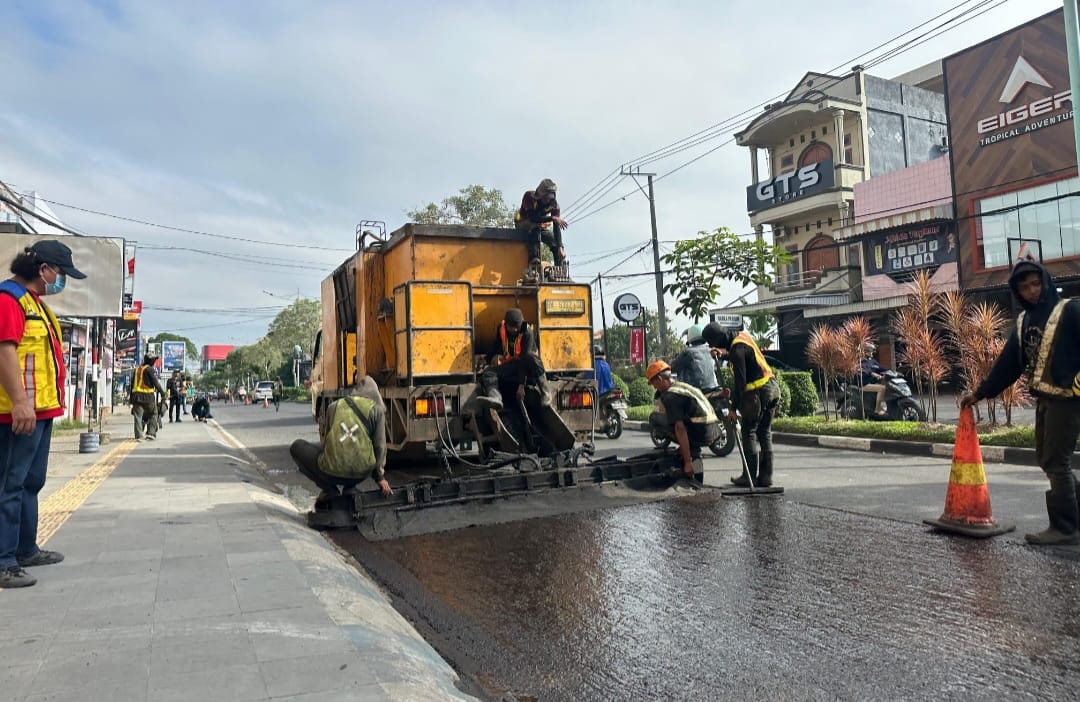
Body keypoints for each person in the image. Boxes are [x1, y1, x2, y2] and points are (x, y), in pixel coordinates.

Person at [960, 260, 1080, 545]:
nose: (1032, 291)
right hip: (1045, 398)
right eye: (1024, 287)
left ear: (1046, 281)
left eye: (1036, 284)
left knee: (1056, 460)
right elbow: (1008, 365)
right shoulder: (1024, 322)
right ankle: (1074, 520)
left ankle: (1065, 528)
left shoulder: (1070, 310)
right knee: (1047, 459)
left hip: (1069, 398)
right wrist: (981, 392)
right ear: (1017, 291)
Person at [0, 240, 86, 588]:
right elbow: (5, 352)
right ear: (43, 270)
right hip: (17, 413)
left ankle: (25, 550)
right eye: (60, 273)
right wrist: (20, 401)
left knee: (32, 483)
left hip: (41, 411)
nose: (61, 280)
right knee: (10, 485)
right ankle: (4, 561)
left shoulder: (37, 305)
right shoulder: (9, 300)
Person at [702, 323, 781, 487]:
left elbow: (740, 384)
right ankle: (766, 477)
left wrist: (732, 409)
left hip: (757, 392)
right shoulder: (742, 337)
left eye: (713, 343)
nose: (712, 346)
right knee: (764, 432)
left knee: (748, 432)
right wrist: (723, 355)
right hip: (772, 387)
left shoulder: (737, 350)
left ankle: (749, 477)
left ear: (718, 340)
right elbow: (744, 356)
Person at [289, 375, 392, 498]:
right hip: (361, 474)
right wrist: (380, 477)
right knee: (360, 455)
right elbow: (380, 446)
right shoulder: (377, 410)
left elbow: (328, 443)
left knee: (297, 446)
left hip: (330, 473)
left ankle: (330, 489)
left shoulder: (334, 406)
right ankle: (350, 488)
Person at [645, 359, 719, 480]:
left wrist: (688, 461)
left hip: (701, 432)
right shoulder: (682, 386)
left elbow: (680, 428)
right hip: (713, 430)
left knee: (655, 418)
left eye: (653, 384)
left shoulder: (670, 397)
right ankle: (696, 468)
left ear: (659, 379)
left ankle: (689, 453)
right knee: (693, 449)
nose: (654, 387)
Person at [477, 308, 553, 409]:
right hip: (513, 364)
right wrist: (486, 359)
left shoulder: (527, 332)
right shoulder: (501, 328)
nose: (516, 329)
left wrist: (521, 385)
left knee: (531, 356)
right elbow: (497, 346)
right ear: (506, 325)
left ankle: (546, 392)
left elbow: (524, 359)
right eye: (512, 327)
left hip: (529, 367)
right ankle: (495, 397)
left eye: (517, 327)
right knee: (488, 373)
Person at [515, 178, 569, 268]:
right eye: (545, 198)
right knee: (535, 228)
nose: (546, 200)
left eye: (549, 198)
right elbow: (533, 218)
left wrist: (560, 247)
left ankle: (559, 268)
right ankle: (534, 261)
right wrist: (552, 218)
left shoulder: (554, 206)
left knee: (554, 240)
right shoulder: (529, 196)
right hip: (523, 222)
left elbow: (556, 226)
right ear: (540, 195)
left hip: (538, 225)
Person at [671, 325, 720, 392]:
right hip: (714, 387)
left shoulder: (687, 352)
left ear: (690, 336)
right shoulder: (710, 350)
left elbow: (673, 368)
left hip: (696, 391)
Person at [131, 354, 166, 441]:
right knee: (153, 413)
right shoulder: (150, 369)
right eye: (154, 360)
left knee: (138, 417)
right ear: (151, 361)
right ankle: (151, 433)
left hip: (136, 397)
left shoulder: (137, 370)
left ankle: (138, 436)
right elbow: (155, 382)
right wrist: (162, 393)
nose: (154, 362)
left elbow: (132, 385)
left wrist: (130, 399)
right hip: (148, 398)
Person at [860, 346, 888, 417]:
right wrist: (874, 374)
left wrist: (889, 372)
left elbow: (880, 368)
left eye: (872, 351)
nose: (872, 352)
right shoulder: (862, 362)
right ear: (865, 352)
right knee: (882, 388)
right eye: (870, 351)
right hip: (864, 384)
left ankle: (882, 407)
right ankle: (877, 410)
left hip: (872, 383)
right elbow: (866, 371)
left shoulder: (872, 361)